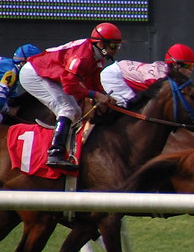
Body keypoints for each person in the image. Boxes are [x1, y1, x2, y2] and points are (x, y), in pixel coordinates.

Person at [18, 23, 122, 169]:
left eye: (118, 47)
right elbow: (70, 85)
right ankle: (55, 154)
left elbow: (94, 82)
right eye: (113, 46)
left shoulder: (97, 56)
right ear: (100, 43)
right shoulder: (83, 56)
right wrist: (96, 95)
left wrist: (104, 96)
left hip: (49, 75)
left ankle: (65, 149)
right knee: (67, 110)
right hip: (35, 73)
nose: (116, 50)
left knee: (76, 112)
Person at [101, 43, 194, 107]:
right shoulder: (160, 78)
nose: (192, 69)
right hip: (114, 76)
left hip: (122, 70)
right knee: (133, 107)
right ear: (175, 65)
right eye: (188, 65)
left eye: (192, 65)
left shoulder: (167, 74)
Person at [0, 44, 43, 114]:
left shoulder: (9, 65)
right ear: (23, 62)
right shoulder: (11, 72)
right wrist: (8, 110)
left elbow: (11, 96)